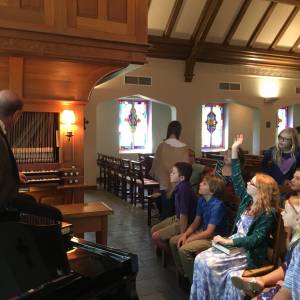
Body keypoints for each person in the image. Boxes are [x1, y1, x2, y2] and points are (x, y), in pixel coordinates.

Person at [190, 134, 279, 300]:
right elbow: (237, 176)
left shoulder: (268, 213)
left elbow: (254, 240)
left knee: (210, 264)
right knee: (201, 260)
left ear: (261, 191)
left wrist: (227, 241)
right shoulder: (247, 200)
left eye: (251, 183)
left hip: (247, 253)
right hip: (234, 246)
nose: (247, 184)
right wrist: (236, 148)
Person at [0, 89, 61, 220]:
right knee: (55, 215)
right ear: (16, 115)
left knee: (30, 198)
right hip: (3, 206)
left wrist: (13, 175)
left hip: (5, 199)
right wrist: (13, 179)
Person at [231, 195, 300, 299]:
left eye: (285, 211)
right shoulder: (295, 241)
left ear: (298, 218)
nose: (281, 213)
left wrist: (283, 288)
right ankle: (260, 280)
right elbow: (288, 266)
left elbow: (290, 291)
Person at [169, 175, 227, 283]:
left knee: (183, 249)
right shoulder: (201, 200)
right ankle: (183, 272)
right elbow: (196, 222)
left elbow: (210, 232)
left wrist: (191, 239)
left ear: (212, 191)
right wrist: (185, 234)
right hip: (203, 232)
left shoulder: (217, 205)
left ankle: (194, 281)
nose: (200, 184)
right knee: (173, 241)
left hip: (214, 238)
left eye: (204, 184)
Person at [151, 162, 197, 254]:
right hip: (177, 217)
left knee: (155, 236)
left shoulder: (183, 190)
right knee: (153, 229)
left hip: (185, 221)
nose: (170, 174)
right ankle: (166, 250)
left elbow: (184, 215)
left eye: (173, 173)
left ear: (181, 178)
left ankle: (171, 254)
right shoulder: (180, 186)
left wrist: (182, 233)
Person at [150, 121, 189, 219]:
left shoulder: (162, 146)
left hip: (165, 183)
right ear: (179, 131)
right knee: (177, 210)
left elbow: (156, 165)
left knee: (166, 209)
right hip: (179, 183)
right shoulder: (184, 147)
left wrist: (165, 176)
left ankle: (164, 229)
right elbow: (186, 166)